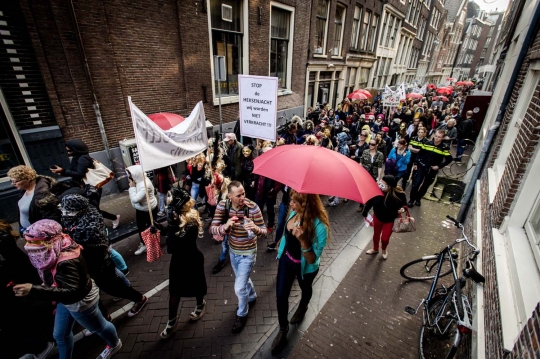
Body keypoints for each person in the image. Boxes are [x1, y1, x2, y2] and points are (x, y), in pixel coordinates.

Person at [13, 219, 122, 359]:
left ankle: (114, 344)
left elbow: (73, 292)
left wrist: (33, 290)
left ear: (48, 240)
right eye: (27, 241)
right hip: (66, 300)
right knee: (60, 335)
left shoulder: (66, 260)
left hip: (80, 302)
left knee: (99, 326)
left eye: (33, 242)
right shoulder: (57, 246)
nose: (28, 246)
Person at [60, 194, 148, 319]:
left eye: (67, 210)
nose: (65, 213)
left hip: (99, 263)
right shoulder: (74, 219)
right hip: (86, 264)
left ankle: (139, 299)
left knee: (112, 287)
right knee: (93, 289)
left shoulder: (91, 224)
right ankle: (104, 317)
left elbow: (91, 243)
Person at [271, 190, 330, 354]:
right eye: (291, 200)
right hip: (286, 260)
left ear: (307, 204)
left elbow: (312, 259)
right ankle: (283, 329)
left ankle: (303, 305)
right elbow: (286, 232)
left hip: (305, 267)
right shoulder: (293, 212)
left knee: (306, 288)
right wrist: (283, 241)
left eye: (295, 202)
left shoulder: (320, 226)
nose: (291, 204)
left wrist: (304, 240)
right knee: (281, 296)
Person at [209, 181, 267, 334]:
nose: (243, 197)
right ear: (230, 196)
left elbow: (264, 231)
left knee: (239, 287)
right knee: (243, 278)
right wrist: (225, 227)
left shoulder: (253, 207)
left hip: (248, 253)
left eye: (244, 193)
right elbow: (212, 229)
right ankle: (253, 296)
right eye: (239, 195)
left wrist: (255, 228)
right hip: (233, 252)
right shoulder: (223, 206)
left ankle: (242, 314)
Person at [0, 219, 55, 359]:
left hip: (15, 288)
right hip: (17, 287)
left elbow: (20, 265)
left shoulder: (3, 242)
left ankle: (42, 345)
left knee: (20, 319)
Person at [159, 188, 207, 338]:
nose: (169, 207)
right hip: (178, 262)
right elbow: (169, 232)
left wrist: (172, 226)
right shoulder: (176, 217)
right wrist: (159, 228)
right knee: (174, 292)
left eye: (172, 204)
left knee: (196, 286)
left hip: (191, 259)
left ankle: (201, 304)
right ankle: (172, 322)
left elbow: (173, 247)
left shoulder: (191, 222)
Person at [51, 140, 120, 228]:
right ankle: (105, 221)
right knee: (91, 208)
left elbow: (80, 173)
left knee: (93, 209)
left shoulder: (83, 158)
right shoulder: (77, 157)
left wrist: (63, 171)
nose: (68, 153)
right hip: (85, 187)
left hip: (91, 188)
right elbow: (75, 172)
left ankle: (112, 218)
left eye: (69, 150)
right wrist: (62, 172)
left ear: (76, 149)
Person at [362, 175, 407, 259]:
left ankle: (384, 249)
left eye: (383, 185)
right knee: (376, 235)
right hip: (378, 217)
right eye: (380, 183)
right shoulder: (377, 191)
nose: (380, 186)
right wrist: (365, 211)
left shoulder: (399, 194)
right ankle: (375, 249)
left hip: (390, 220)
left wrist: (403, 209)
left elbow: (404, 204)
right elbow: (370, 202)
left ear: (390, 186)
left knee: (385, 238)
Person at [8, 165, 61, 232]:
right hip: (28, 232)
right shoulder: (24, 190)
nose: (12, 184)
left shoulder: (42, 195)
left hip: (38, 235)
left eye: (15, 181)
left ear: (27, 179)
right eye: (11, 181)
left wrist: (38, 234)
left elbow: (51, 219)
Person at [408, 130, 453, 207]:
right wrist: (416, 163)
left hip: (432, 169)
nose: (436, 138)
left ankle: (418, 199)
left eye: (439, 137)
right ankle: (411, 200)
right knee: (416, 184)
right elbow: (419, 154)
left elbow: (449, 159)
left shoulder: (444, 147)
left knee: (425, 186)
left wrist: (439, 166)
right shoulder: (427, 143)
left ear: (442, 138)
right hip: (422, 166)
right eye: (435, 136)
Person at [127, 165, 158, 255]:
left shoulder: (144, 184)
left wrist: (132, 187)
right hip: (143, 208)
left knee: (144, 227)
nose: (129, 177)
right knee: (148, 226)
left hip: (147, 209)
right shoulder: (139, 180)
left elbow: (135, 199)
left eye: (130, 175)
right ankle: (148, 242)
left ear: (136, 174)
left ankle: (146, 245)